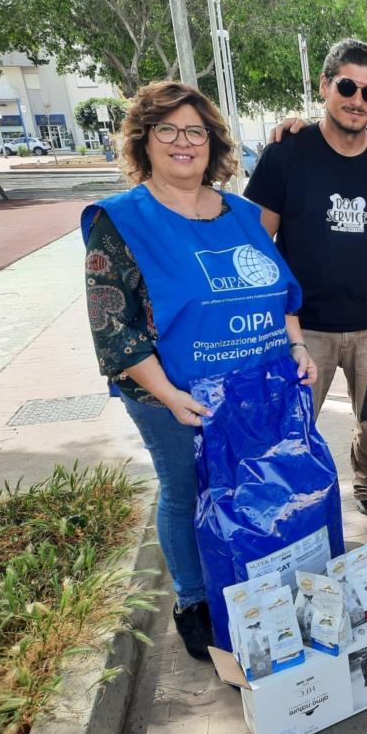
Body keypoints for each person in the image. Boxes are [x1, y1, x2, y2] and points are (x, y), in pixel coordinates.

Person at [81, 81, 315, 661]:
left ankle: (252, 575)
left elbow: (279, 289)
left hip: (255, 388)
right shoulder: (120, 221)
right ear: (143, 140)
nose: (182, 142)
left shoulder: (241, 213)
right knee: (185, 494)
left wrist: (299, 347)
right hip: (173, 397)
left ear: (212, 143)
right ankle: (193, 600)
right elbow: (115, 329)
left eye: (195, 131)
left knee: (248, 488)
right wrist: (168, 394)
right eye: (166, 129)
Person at [245, 39, 367, 537]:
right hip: (305, 331)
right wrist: (288, 305)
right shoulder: (286, 154)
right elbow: (259, 240)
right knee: (292, 424)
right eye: (347, 86)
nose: (357, 99)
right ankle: (291, 505)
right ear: (324, 86)